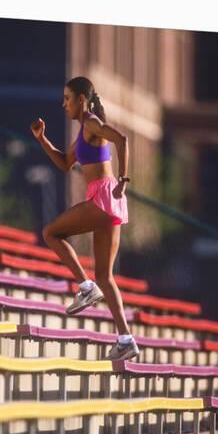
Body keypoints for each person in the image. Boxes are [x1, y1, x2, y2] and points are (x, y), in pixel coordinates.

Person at [29, 76, 139, 362]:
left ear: (81, 100)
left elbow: (122, 139)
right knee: (105, 275)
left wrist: (124, 179)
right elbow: (65, 163)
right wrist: (42, 139)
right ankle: (126, 339)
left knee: (51, 233)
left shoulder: (91, 123)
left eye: (67, 98)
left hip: (103, 196)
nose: (63, 104)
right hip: (110, 203)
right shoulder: (81, 136)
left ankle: (85, 287)